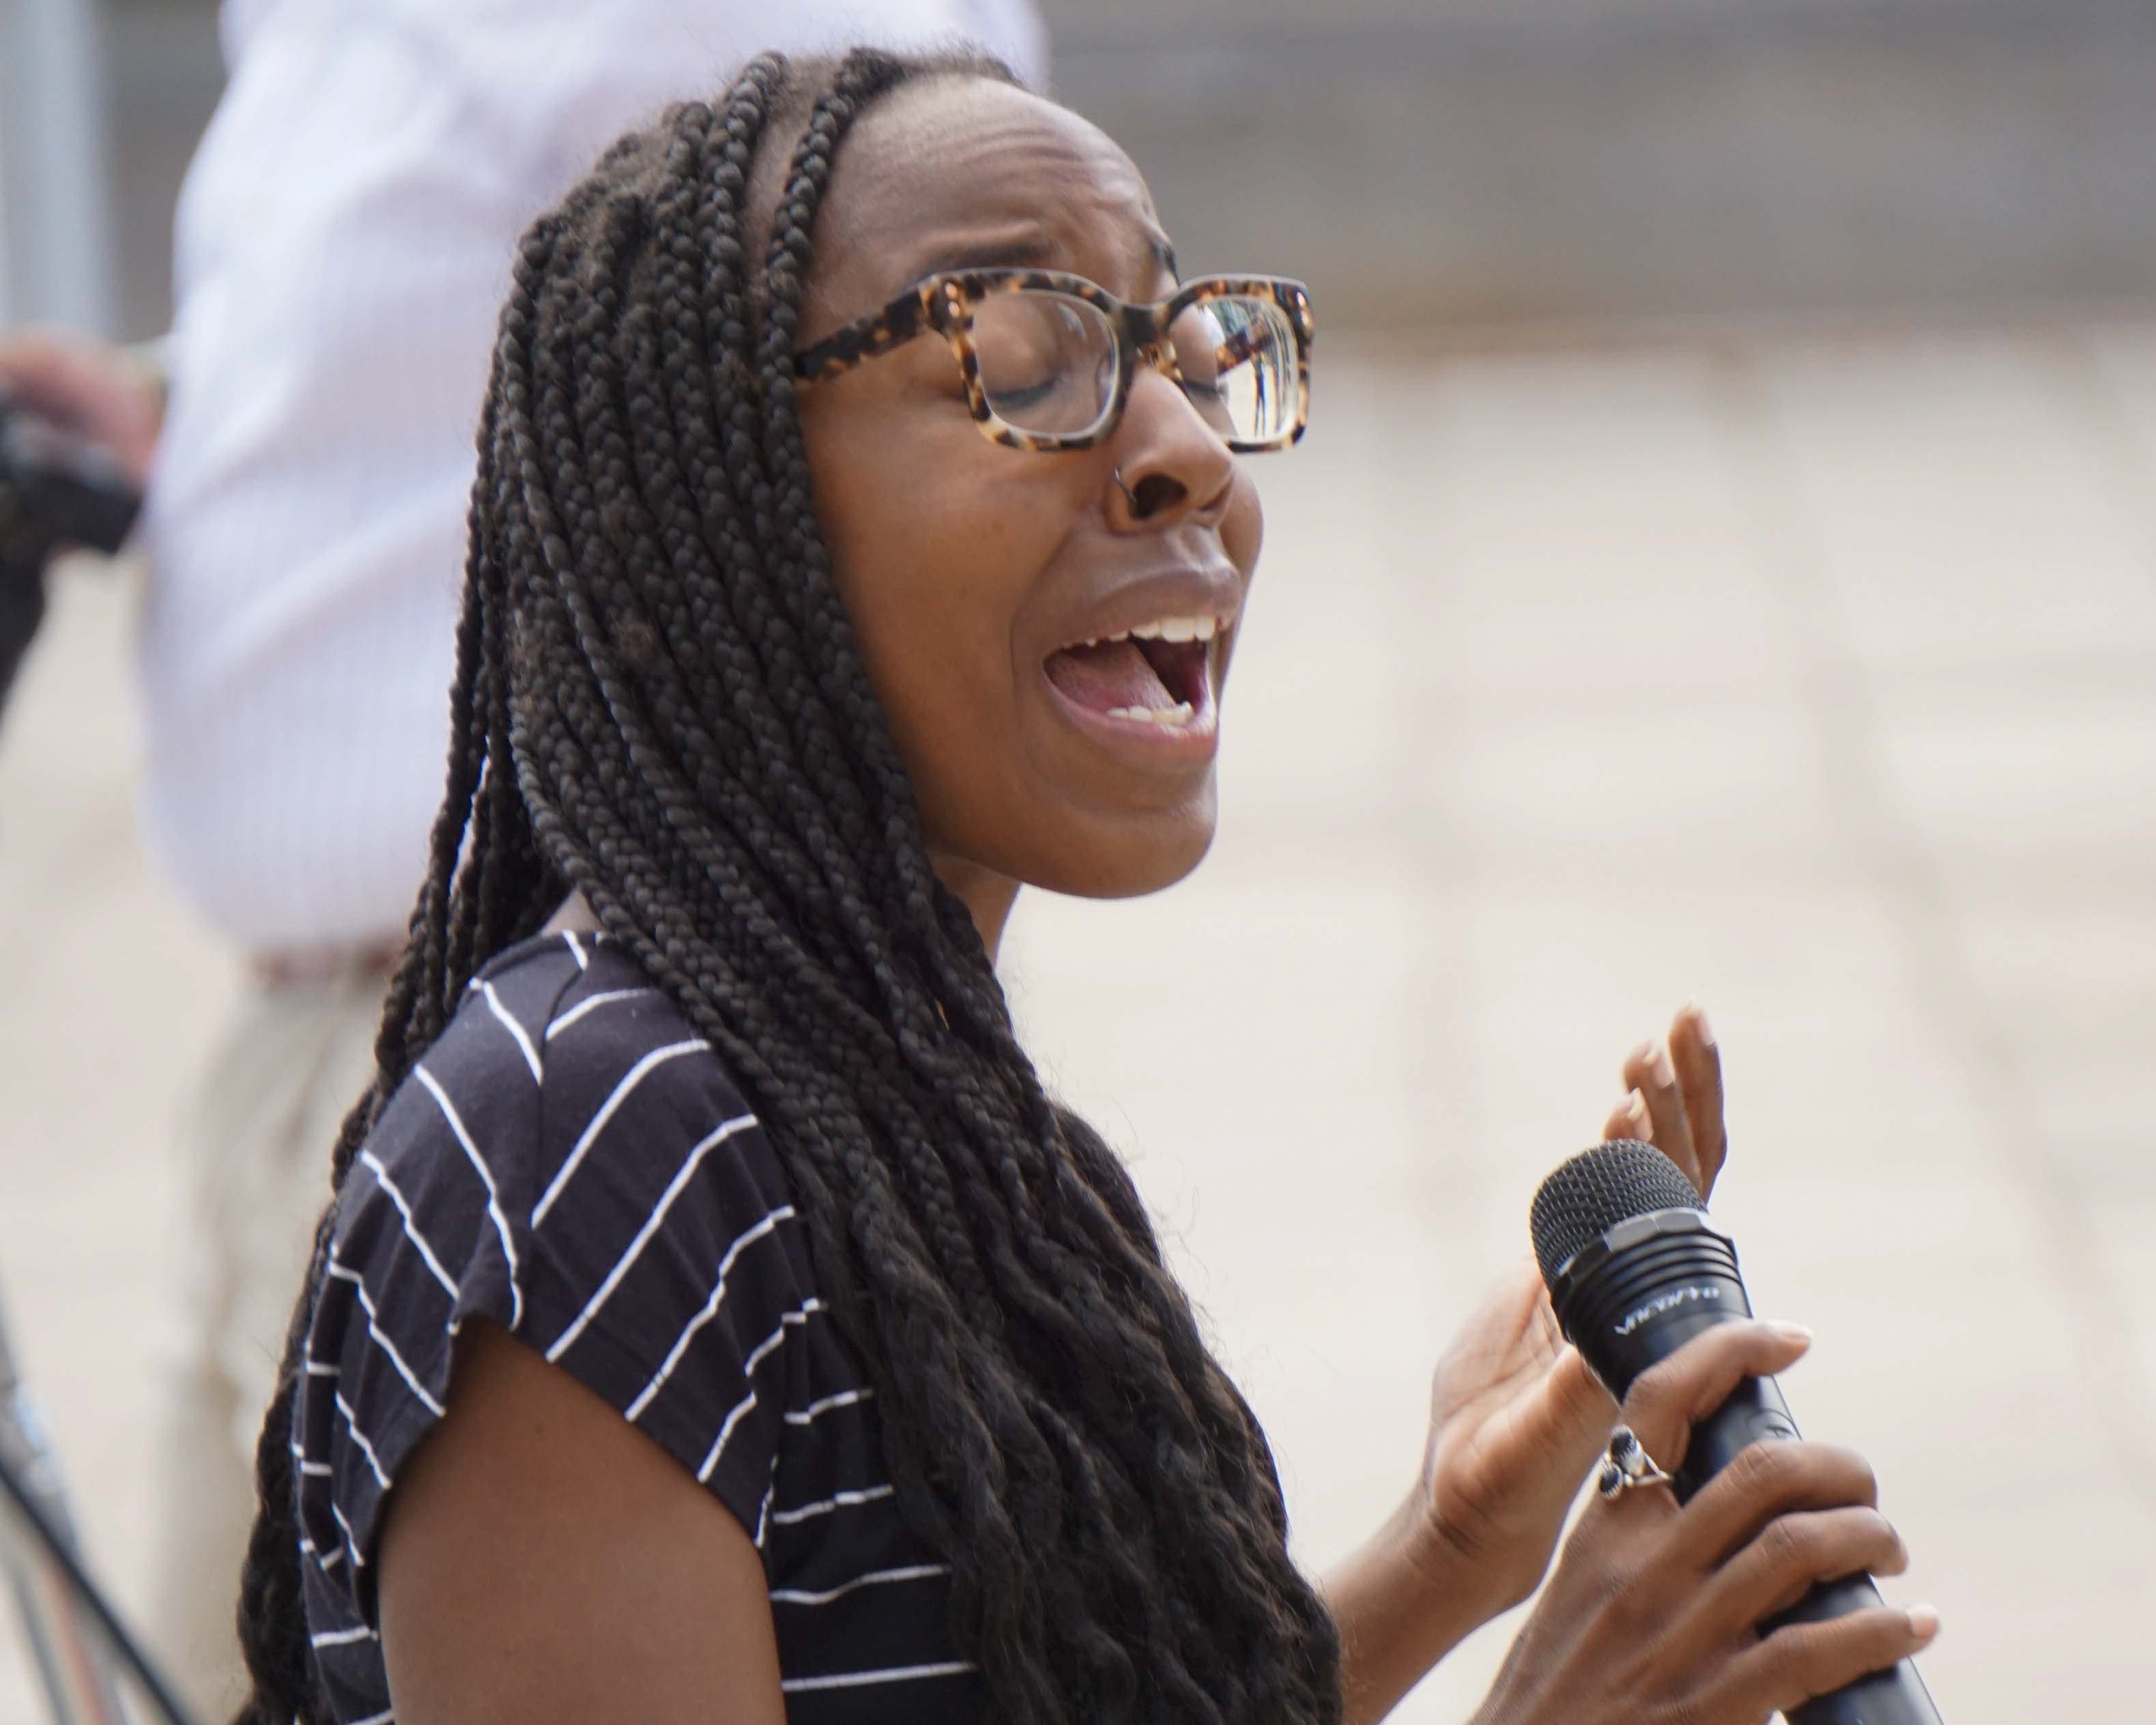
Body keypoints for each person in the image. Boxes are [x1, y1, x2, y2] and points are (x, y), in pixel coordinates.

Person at [231, 45, 1939, 1725]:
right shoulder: (583, 1161)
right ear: (725, 491)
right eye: (1027, 363)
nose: (1185, 447)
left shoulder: (914, 1122)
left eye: (1187, 357)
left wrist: (1443, 1548)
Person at [0, 3, 1041, 1715]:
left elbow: (917, 346)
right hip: (299, 1048)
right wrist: (178, 410)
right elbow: (451, 328)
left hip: (540, 1069)